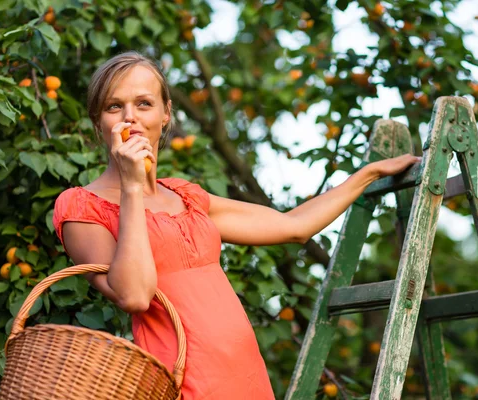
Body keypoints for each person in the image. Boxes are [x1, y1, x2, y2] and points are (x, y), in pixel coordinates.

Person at [52, 51, 420, 399]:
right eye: (115, 106)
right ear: (98, 121)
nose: (130, 117)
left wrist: (367, 175)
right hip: (180, 379)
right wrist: (132, 186)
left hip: (243, 373)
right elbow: (134, 295)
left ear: (166, 114)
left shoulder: (187, 197)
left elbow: (293, 226)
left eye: (144, 103)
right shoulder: (82, 206)